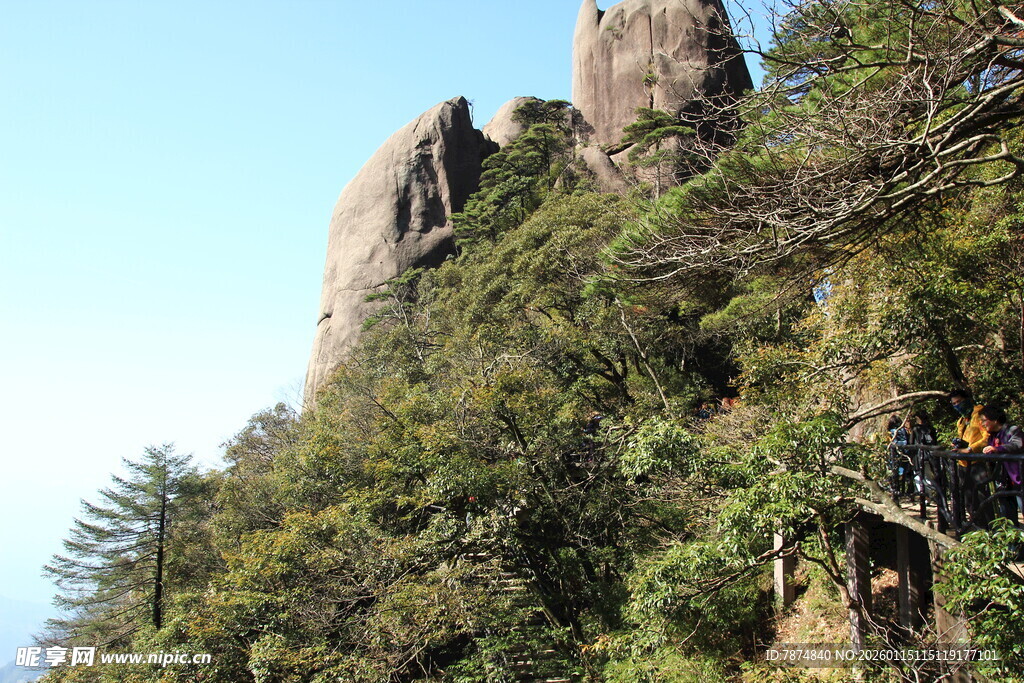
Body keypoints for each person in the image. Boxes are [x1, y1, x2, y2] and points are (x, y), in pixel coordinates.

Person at [950, 389, 991, 525]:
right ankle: (976, 527)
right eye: (954, 403)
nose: (957, 405)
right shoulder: (962, 420)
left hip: (977, 462)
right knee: (969, 499)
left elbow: (987, 438)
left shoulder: (979, 415)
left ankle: (989, 529)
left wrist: (970, 449)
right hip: (964, 464)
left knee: (982, 497)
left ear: (967, 399)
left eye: (959, 402)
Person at [980, 405, 1024, 526]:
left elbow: (1016, 445)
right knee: (1008, 518)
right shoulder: (992, 436)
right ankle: (1012, 544)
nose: (982, 424)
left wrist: (997, 449)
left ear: (995, 419)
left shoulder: (1013, 430)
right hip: (1003, 482)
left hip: (1019, 481)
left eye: (984, 420)